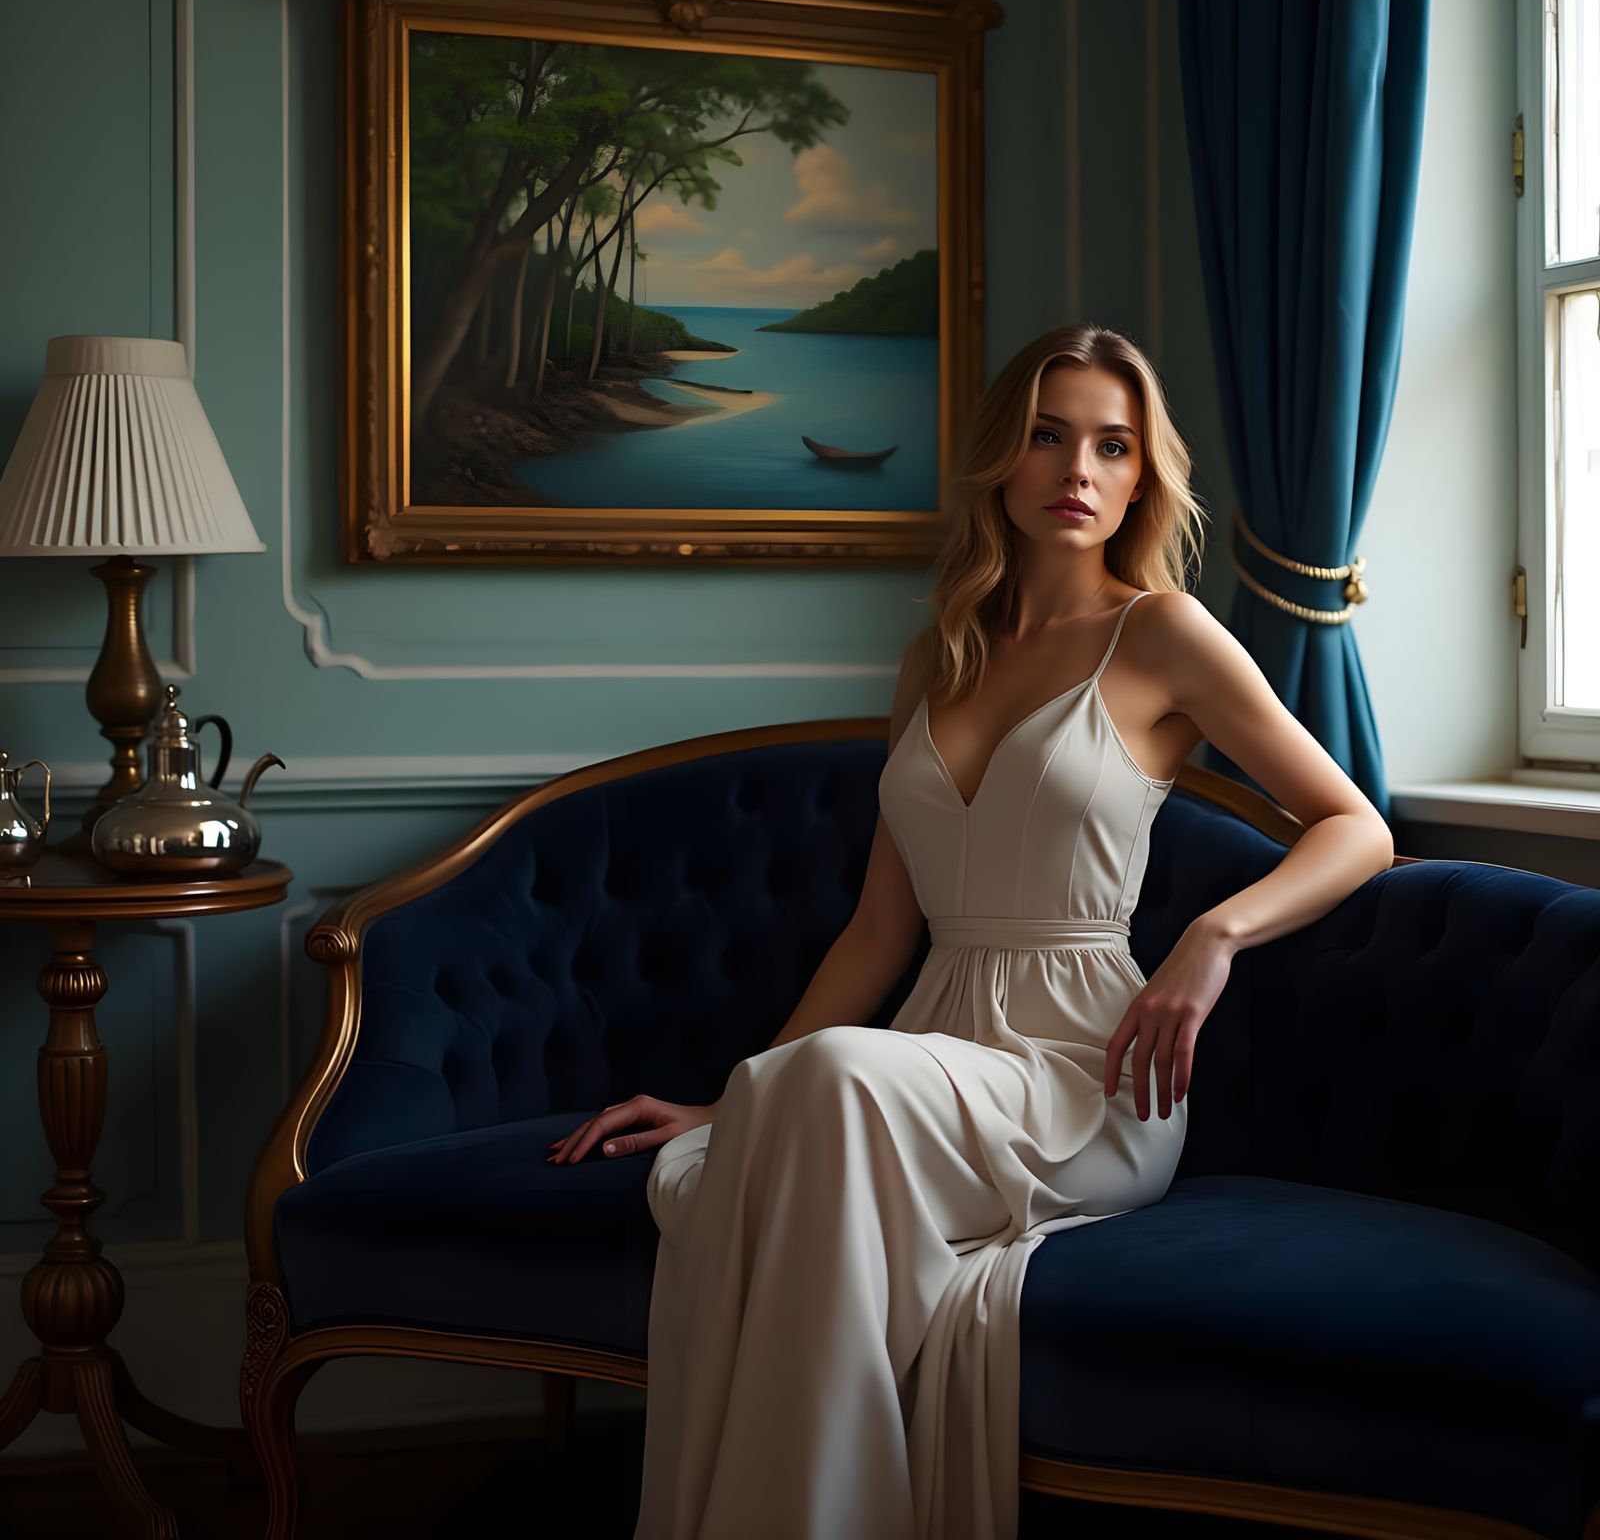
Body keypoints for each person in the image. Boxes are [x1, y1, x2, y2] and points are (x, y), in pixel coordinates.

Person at [546, 324, 1394, 1540]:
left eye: (1113, 445)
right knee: (808, 1094)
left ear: (1144, 476)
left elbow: (1353, 826)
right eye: (1049, 437)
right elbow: (878, 929)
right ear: (1001, 456)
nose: (1079, 471)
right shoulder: (936, 655)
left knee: (832, 1083)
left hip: (1086, 1074)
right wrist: (739, 1096)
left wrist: (1211, 937)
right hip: (933, 1050)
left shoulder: (1163, 633)